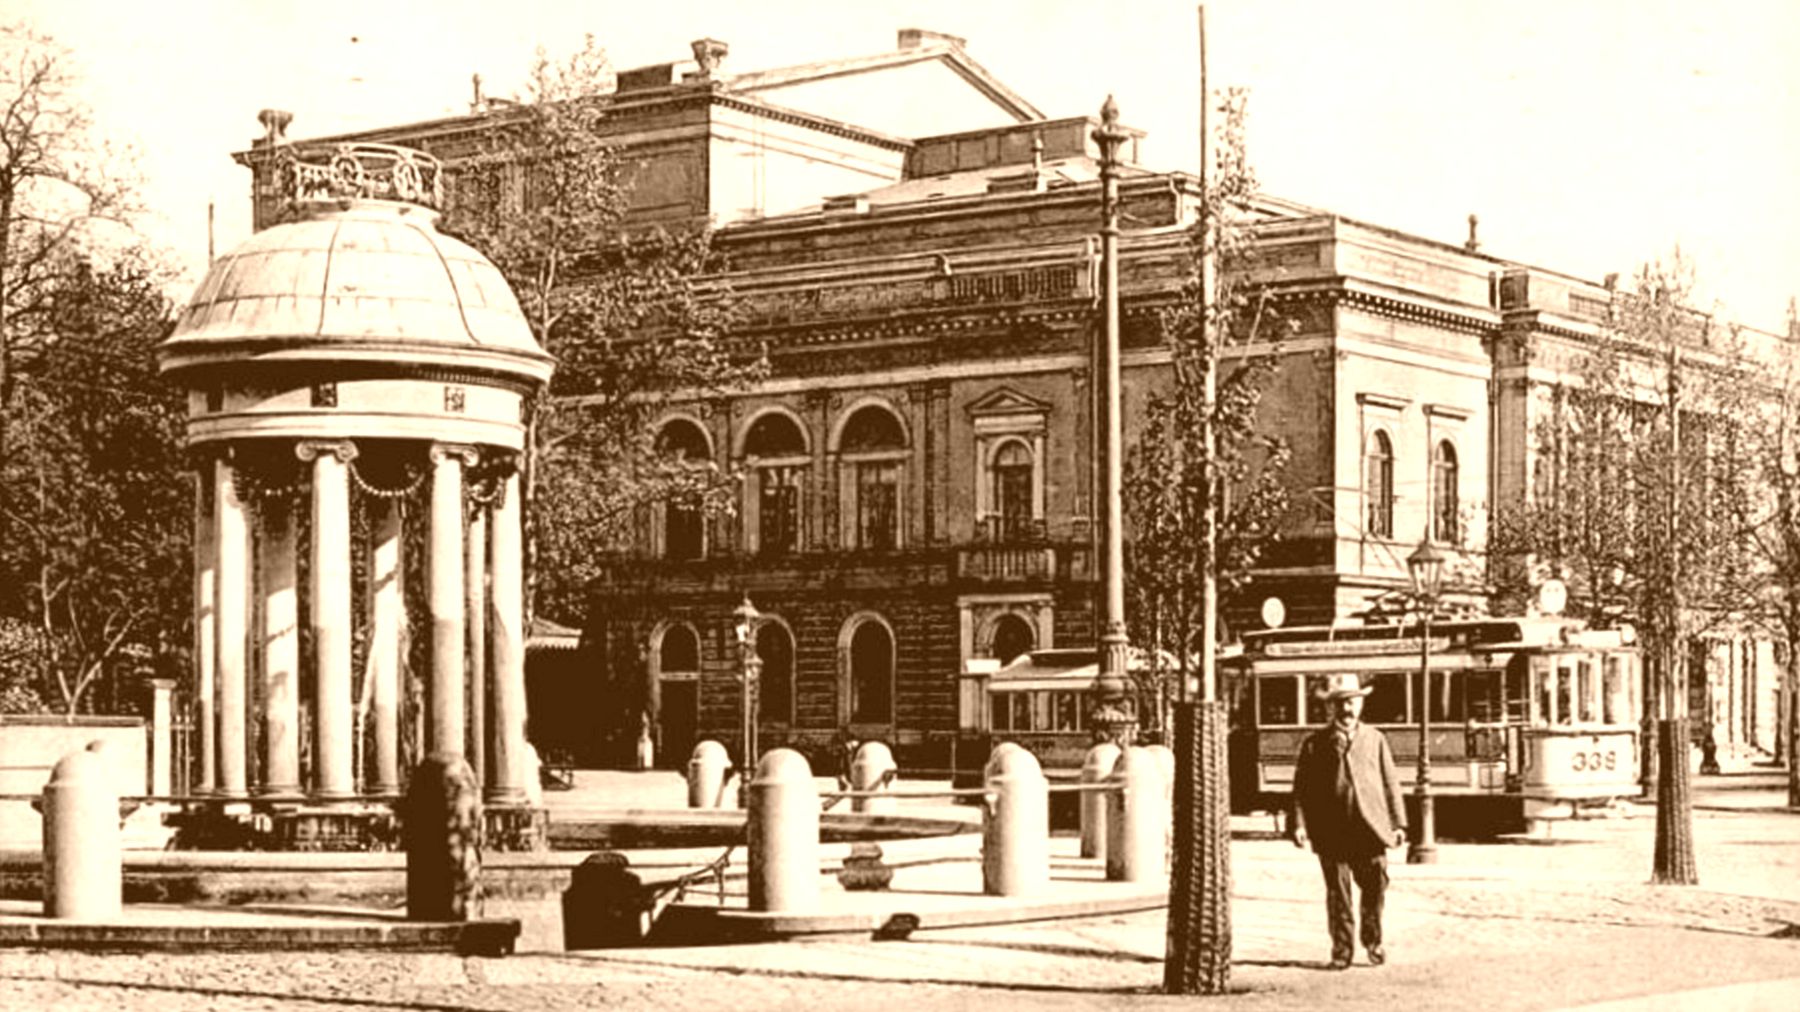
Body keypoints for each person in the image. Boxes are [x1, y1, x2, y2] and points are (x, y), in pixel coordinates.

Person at [1291, 672, 1409, 970]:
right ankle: (1341, 951)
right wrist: (1300, 824)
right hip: (1332, 830)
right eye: (1341, 703)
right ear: (1331, 708)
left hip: (1370, 828)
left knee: (1376, 885)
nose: (1347, 709)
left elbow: (1390, 783)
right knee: (1338, 894)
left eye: (1352, 702)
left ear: (1361, 705)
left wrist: (1398, 824)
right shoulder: (1315, 744)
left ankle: (1372, 939)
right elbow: (1302, 788)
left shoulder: (1376, 739)